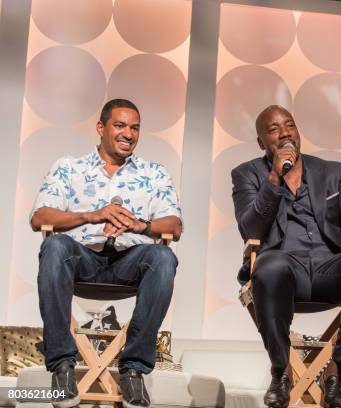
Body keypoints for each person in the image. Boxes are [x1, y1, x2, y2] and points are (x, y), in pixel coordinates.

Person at [231, 105, 341, 408]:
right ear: (261, 142)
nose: (285, 133)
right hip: (284, 269)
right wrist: (275, 176)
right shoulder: (247, 174)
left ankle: (337, 370)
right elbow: (250, 228)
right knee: (269, 265)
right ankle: (281, 371)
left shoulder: (333, 172)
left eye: (289, 125)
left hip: (331, 266)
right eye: (274, 129)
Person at [30, 99, 183, 408]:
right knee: (54, 244)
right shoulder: (69, 167)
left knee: (164, 257)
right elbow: (40, 218)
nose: (128, 133)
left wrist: (139, 226)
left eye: (135, 128)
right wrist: (92, 215)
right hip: (80, 259)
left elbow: (174, 225)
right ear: (101, 128)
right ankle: (61, 365)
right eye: (120, 125)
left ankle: (133, 369)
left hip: (128, 262)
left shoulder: (153, 173)